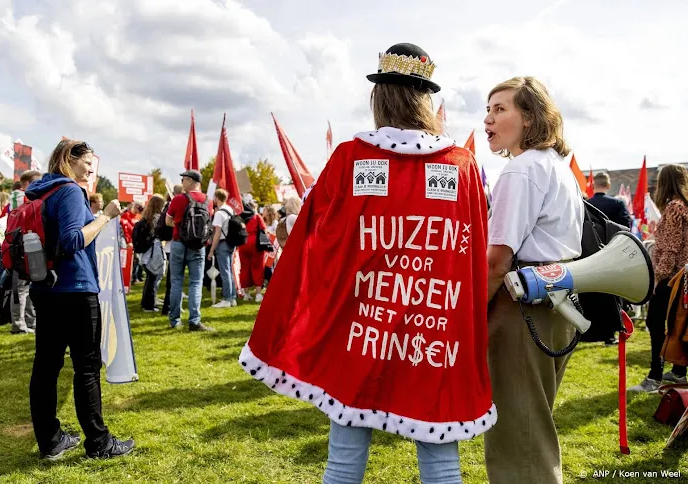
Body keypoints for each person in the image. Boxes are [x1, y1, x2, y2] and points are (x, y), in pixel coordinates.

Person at [239, 43, 494, 484]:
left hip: (361, 325)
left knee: (343, 458)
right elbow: (472, 252)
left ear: (380, 96)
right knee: (441, 462)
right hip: (434, 332)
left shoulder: (352, 157)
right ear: (425, 100)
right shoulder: (462, 165)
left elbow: (315, 237)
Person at [483, 77, 583, 484]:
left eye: (500, 109)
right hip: (558, 300)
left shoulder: (521, 170)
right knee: (533, 427)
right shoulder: (557, 167)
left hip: (522, 305)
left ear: (530, 118)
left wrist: (470, 314)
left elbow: (496, 261)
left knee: (519, 441)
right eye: (487, 110)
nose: (488, 119)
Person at [27, 139, 134, 460]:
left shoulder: (41, 191)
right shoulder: (71, 191)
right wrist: (104, 217)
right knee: (86, 367)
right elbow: (72, 240)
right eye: (87, 163)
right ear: (68, 160)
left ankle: (50, 440)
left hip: (46, 288)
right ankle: (99, 443)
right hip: (75, 289)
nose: (91, 169)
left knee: (46, 366)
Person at [629, 164, 688, 392]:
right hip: (682, 277)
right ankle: (678, 371)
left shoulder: (673, 207)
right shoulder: (683, 206)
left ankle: (654, 377)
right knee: (677, 325)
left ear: (664, 183)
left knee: (656, 324)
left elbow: (670, 249)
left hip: (671, 278)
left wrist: (658, 279)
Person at [586, 171, 633, 345]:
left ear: (593, 185)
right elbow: (626, 228)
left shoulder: (585, 204)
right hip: (612, 254)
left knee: (589, 292)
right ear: (608, 185)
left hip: (588, 255)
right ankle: (609, 334)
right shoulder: (617, 204)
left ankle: (589, 332)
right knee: (611, 294)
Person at [165, 170, 214, 331]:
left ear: (191, 181)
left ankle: (175, 320)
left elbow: (167, 221)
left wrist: (180, 227)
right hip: (198, 245)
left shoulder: (179, 199)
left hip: (179, 242)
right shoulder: (208, 200)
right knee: (196, 283)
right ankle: (194, 320)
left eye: (184, 179)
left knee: (176, 282)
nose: (183, 182)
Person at [10, 170, 43, 335]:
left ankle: (30, 321)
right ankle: (18, 324)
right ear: (28, 183)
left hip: (27, 248)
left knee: (29, 288)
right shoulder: (19, 198)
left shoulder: (26, 200)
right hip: (21, 249)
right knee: (21, 289)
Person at [208, 188, 238, 309]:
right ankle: (232, 297)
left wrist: (211, 250)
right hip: (231, 243)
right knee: (229, 272)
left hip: (222, 243)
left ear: (217, 198)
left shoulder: (219, 214)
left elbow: (217, 233)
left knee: (225, 272)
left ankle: (227, 298)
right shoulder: (230, 210)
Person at [139, 194, 166, 312]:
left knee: (150, 278)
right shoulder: (157, 218)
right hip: (153, 251)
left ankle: (147, 302)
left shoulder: (146, 217)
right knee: (153, 278)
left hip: (146, 252)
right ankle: (148, 305)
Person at [239, 199, 268, 302]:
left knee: (244, 269)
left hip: (242, 243)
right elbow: (264, 229)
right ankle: (258, 294)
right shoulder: (257, 216)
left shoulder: (241, 217)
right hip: (256, 243)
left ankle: (246, 294)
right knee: (258, 268)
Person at [161, 185, 183, 315]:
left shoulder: (170, 205)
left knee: (173, 279)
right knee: (173, 280)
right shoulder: (173, 205)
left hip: (171, 245)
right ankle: (170, 307)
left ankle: (170, 307)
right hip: (172, 245)